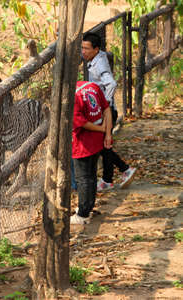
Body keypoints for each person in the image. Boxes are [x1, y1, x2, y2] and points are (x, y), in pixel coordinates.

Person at [81, 32, 136, 192]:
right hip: (104, 110)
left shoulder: (100, 65)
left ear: (96, 49)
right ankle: (109, 179)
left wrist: (103, 103)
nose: (83, 52)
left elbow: (111, 84)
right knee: (104, 145)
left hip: (106, 112)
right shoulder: (97, 56)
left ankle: (123, 170)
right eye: (82, 48)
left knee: (103, 145)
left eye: (86, 48)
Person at [71, 81, 112, 225]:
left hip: (82, 144)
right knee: (92, 176)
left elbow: (80, 123)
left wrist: (102, 130)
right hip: (97, 142)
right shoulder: (91, 86)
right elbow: (107, 109)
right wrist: (107, 133)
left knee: (83, 178)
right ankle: (88, 207)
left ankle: (82, 214)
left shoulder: (72, 97)